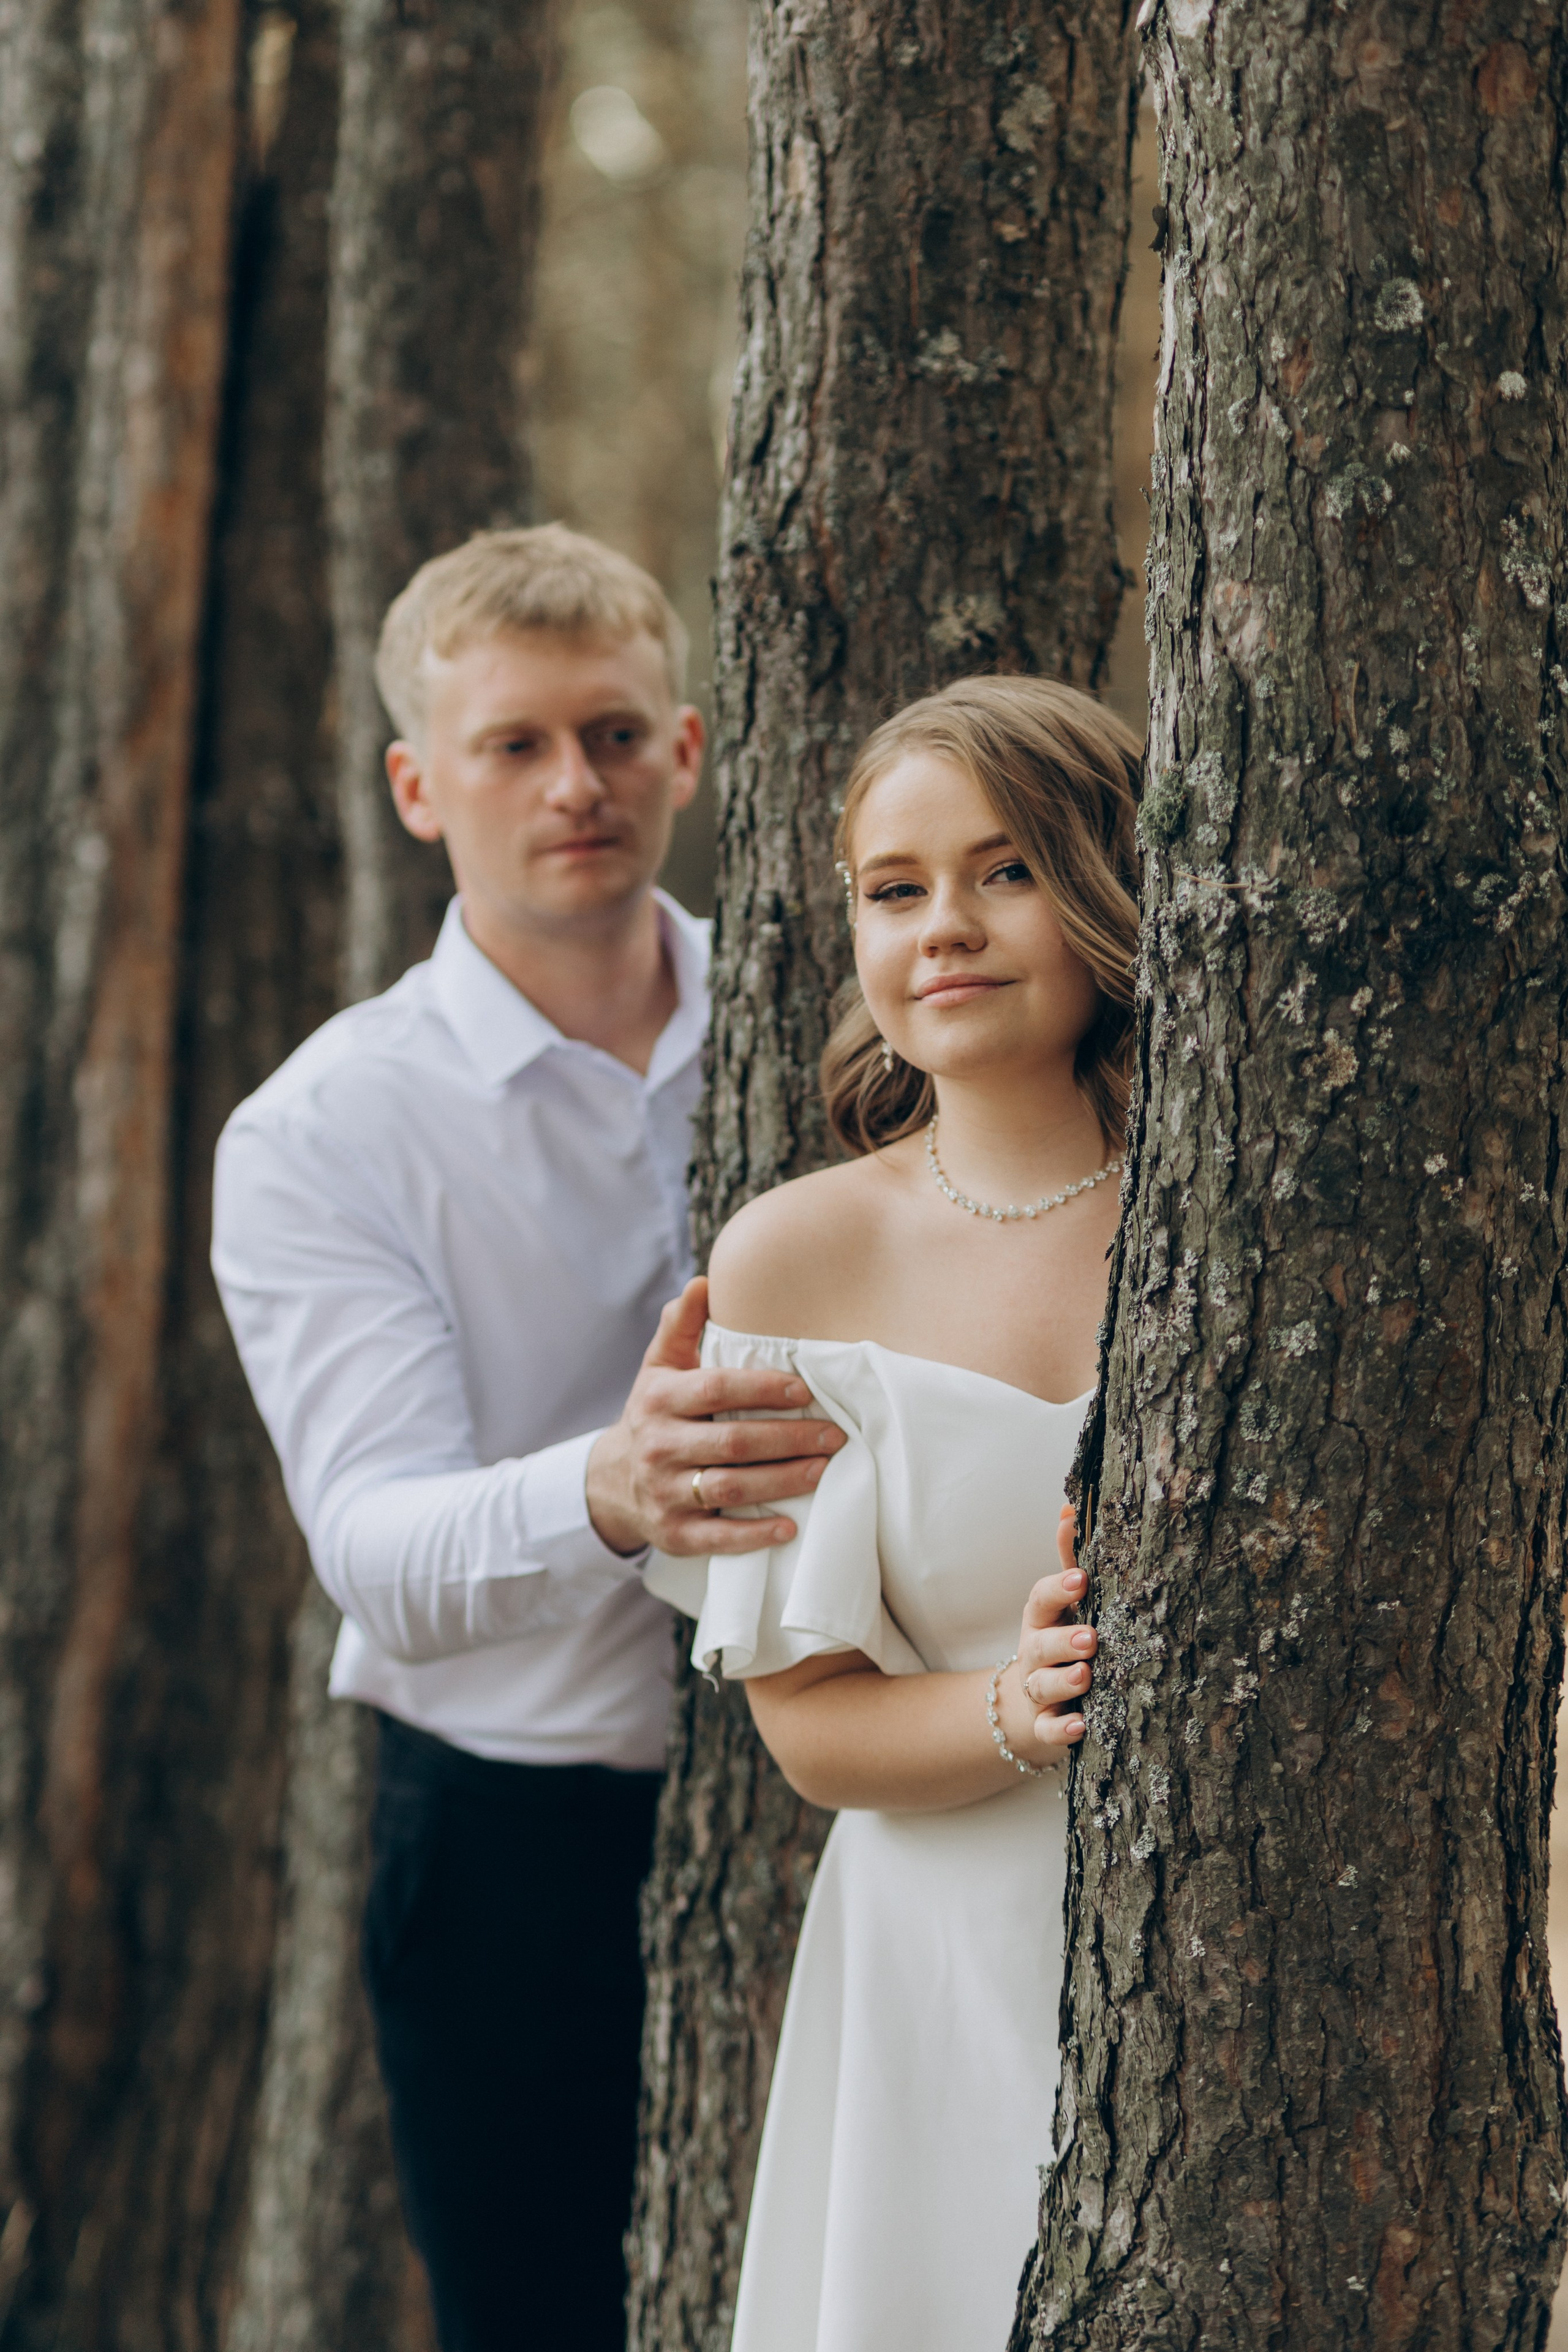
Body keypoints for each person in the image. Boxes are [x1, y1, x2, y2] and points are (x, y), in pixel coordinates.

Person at [211, 524, 847, 2352]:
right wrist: (609, 1489)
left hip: (855, 1797)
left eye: (615, 734)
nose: (578, 784)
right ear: (420, 786)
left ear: (690, 751)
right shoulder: (323, 1134)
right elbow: (378, 1556)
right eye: (515, 745)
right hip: (517, 1854)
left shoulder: (845, 1024)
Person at [647, 674, 1139, 2352]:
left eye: (1007, 871)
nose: (947, 928)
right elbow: (811, 1730)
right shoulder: (801, 1255)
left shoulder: (1248, 1206)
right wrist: (1018, 1705)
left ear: (1108, 883)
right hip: (941, 1963)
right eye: (895, 889)